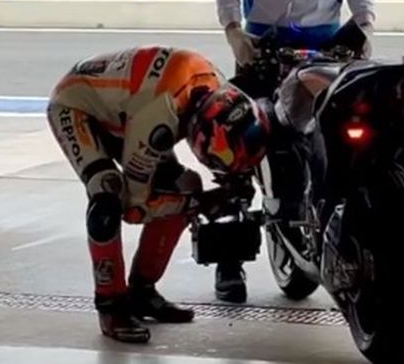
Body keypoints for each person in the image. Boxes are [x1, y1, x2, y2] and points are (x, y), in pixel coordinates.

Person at [213, 0, 374, 302]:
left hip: (326, 40)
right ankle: (229, 258)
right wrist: (233, 31)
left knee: (343, 134)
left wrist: (365, 23)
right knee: (235, 137)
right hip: (263, 41)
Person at [47, 46, 271, 343]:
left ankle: (142, 292)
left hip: (126, 108)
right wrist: (200, 203)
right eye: (217, 161)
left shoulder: (219, 91)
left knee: (184, 185)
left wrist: (226, 185)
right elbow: (135, 208)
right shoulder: (160, 116)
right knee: (107, 196)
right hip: (76, 107)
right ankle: (111, 305)